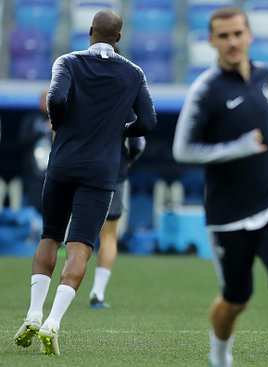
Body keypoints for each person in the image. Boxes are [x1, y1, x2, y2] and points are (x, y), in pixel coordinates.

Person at [14, 9, 156, 355]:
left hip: (63, 163)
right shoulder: (134, 73)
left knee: (50, 235)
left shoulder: (67, 61)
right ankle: (53, 322)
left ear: (90, 31)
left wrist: (61, 124)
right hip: (102, 171)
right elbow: (148, 123)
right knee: (80, 246)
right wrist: (119, 130)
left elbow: (56, 99)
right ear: (118, 38)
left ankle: (34, 312)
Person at [172, 7, 268, 367]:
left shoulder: (263, 75)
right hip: (227, 215)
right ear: (212, 41)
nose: (232, 42)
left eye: (237, 34)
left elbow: (261, 126)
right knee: (236, 300)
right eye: (224, 36)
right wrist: (238, 148)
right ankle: (218, 356)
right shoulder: (205, 89)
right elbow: (182, 149)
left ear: (249, 35)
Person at [88, 136, 146, 309]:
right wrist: (127, 160)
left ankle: (65, 288)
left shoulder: (81, 106)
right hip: (113, 168)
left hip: (80, 167)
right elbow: (139, 141)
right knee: (109, 234)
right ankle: (97, 293)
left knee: (78, 233)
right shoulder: (124, 107)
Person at [17, 90, 53, 213]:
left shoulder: (62, 119)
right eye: (46, 99)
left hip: (54, 173)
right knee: (33, 208)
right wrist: (44, 129)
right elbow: (22, 140)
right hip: (34, 173)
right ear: (40, 102)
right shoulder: (32, 118)